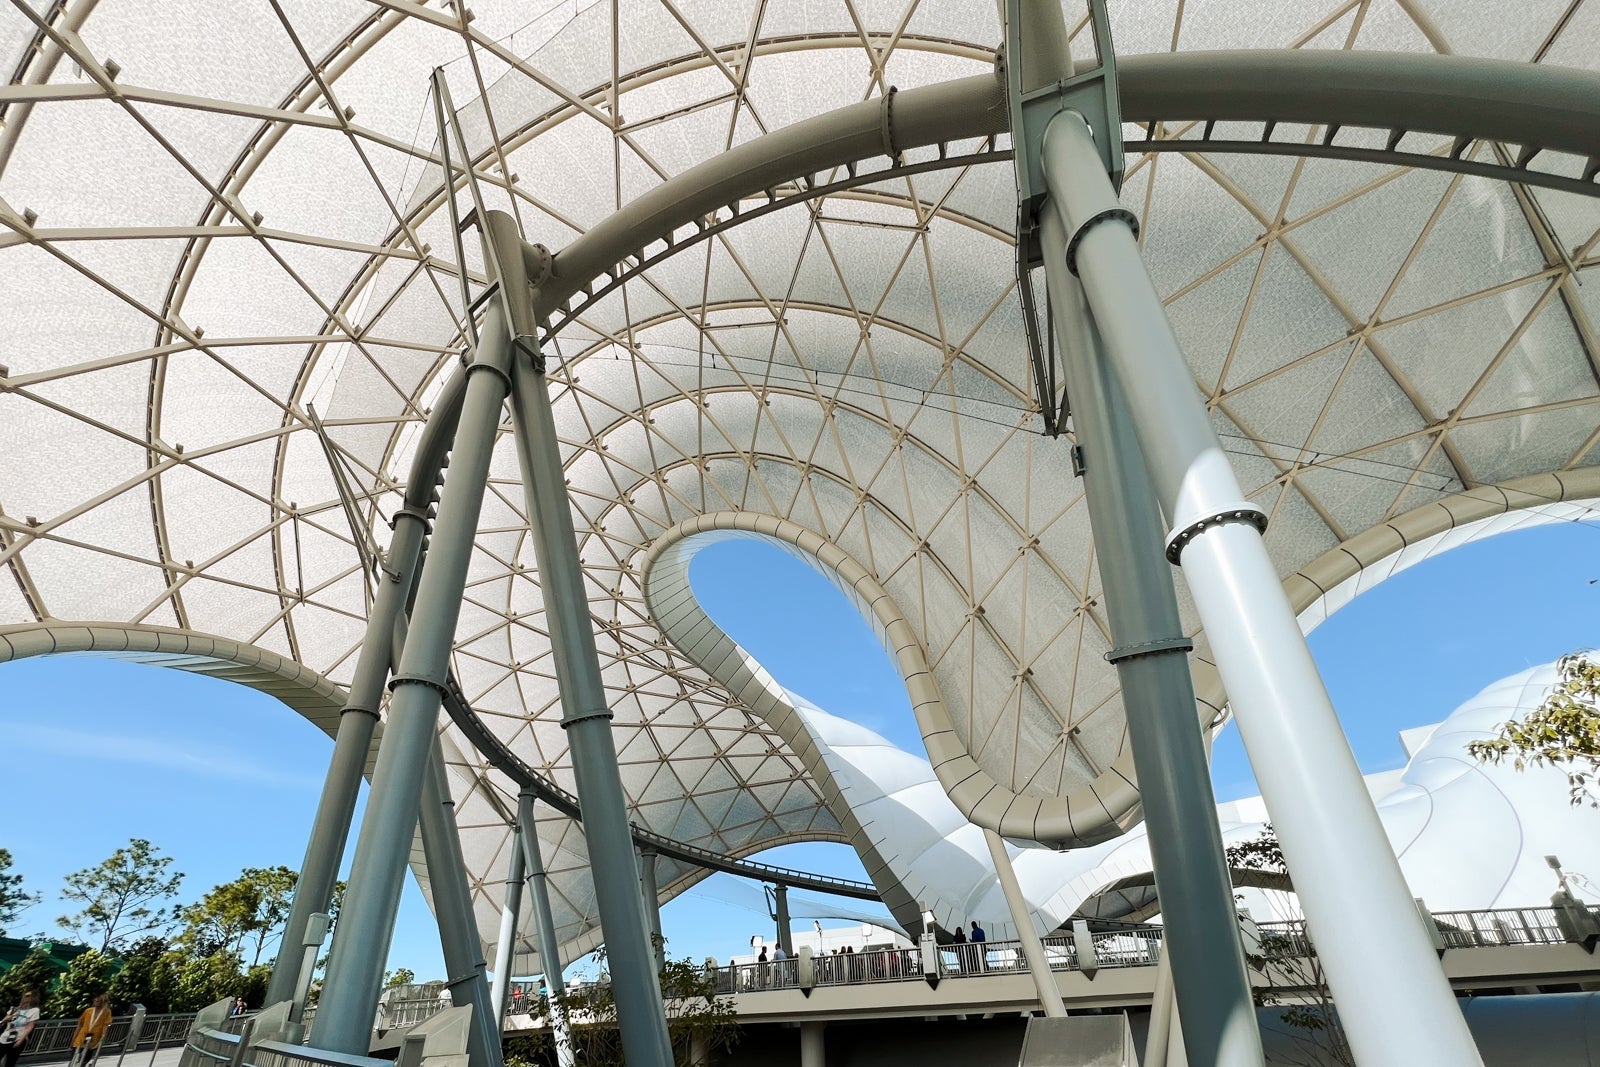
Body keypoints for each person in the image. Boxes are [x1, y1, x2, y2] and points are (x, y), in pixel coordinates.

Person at [0, 990, 41, 1067]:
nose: (26, 998)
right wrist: (7, 1018)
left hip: (17, 1038)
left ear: (34, 998)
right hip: (5, 1036)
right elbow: (4, 1021)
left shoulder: (34, 1010)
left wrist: (21, 1040)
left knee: (10, 1062)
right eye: (25, 996)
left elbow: (30, 1026)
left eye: (28, 996)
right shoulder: (16, 1009)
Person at [72, 994, 113, 1067]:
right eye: (96, 1001)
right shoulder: (88, 1011)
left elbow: (106, 1025)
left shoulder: (106, 1012)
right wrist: (74, 1038)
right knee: (75, 1057)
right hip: (81, 1037)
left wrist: (102, 1038)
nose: (97, 1003)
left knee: (86, 1058)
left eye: (100, 1001)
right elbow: (80, 1024)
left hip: (93, 1038)